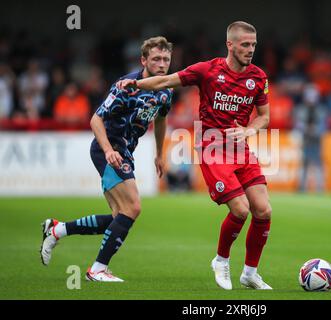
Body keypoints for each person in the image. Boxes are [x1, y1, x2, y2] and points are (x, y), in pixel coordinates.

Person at [117, 21, 272, 290]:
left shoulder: (258, 77)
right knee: (240, 209)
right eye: (245, 45)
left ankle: (250, 273)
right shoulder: (208, 70)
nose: (250, 50)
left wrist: (249, 130)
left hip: (241, 149)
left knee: (263, 210)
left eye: (253, 45)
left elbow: (265, 117)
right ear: (230, 45)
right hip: (212, 149)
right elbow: (166, 80)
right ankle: (221, 261)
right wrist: (137, 84)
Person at [40, 37, 174, 282]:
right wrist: (108, 150)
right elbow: (95, 119)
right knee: (133, 207)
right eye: (156, 58)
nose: (162, 63)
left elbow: (162, 119)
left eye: (166, 59)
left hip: (125, 151)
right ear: (143, 60)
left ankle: (58, 229)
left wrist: (159, 154)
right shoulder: (126, 86)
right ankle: (97, 269)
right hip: (109, 148)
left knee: (118, 218)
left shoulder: (166, 91)